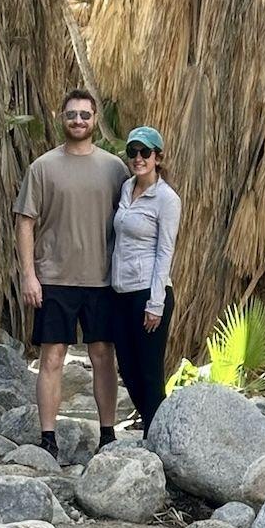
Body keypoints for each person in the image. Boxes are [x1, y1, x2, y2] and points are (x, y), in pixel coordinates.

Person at [14, 87, 129, 457]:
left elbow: (131, 222)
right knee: (51, 358)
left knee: (103, 355)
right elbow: (25, 223)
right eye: (72, 115)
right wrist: (29, 275)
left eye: (85, 115)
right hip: (54, 279)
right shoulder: (42, 168)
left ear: (95, 120)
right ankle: (48, 440)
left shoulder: (115, 169)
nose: (78, 120)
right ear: (61, 119)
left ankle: (108, 435)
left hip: (102, 280)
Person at [109, 125, 181, 436]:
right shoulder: (126, 189)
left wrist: (155, 304)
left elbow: (165, 252)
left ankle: (158, 438)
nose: (138, 158)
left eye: (144, 152)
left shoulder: (166, 199)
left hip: (149, 295)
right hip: (121, 293)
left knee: (150, 373)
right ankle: (156, 430)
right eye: (133, 152)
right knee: (127, 369)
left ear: (158, 157)